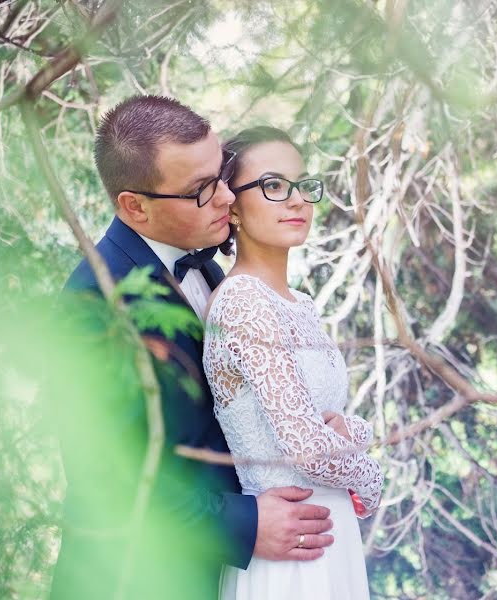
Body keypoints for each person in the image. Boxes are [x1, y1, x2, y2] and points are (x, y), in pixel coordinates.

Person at [49, 96, 334, 600]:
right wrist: (245, 525)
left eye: (220, 175)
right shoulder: (91, 306)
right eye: (202, 190)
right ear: (134, 206)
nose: (226, 196)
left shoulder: (208, 268)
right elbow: (109, 483)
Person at [203, 126, 384, 600]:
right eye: (273, 186)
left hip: (328, 534)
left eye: (303, 185)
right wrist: (372, 474)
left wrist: (352, 430)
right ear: (233, 206)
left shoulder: (298, 303)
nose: (297, 200)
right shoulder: (243, 300)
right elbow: (307, 446)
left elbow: (325, 426)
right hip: (291, 551)